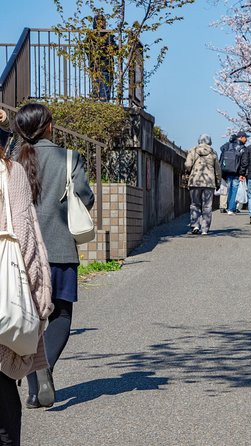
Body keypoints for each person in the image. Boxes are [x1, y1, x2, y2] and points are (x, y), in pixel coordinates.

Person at [13, 103, 95, 409]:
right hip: (60, 250)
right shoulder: (68, 157)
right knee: (60, 315)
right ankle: (44, 367)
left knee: (31, 322)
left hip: (22, 252)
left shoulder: (14, 160)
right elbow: (85, 197)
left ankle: (35, 392)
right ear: (48, 126)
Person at [0, 130, 53, 445]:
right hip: (3, 301)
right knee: (5, 418)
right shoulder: (9, 173)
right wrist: (38, 301)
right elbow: (25, 240)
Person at [185, 134, 221, 235]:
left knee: (195, 204)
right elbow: (217, 169)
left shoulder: (193, 150)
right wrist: (218, 181)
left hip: (195, 181)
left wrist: (189, 171)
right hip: (209, 182)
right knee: (207, 206)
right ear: (210, 141)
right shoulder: (213, 152)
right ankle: (205, 229)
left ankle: (195, 225)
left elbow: (188, 165)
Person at [86, 14, 116, 101]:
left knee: (96, 85)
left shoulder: (90, 36)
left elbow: (86, 49)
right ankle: (104, 104)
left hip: (94, 65)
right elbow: (115, 50)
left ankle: (96, 102)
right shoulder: (107, 35)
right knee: (105, 88)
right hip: (106, 64)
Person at [219, 131, 247, 215]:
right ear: (241, 137)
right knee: (234, 189)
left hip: (227, 170)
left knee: (229, 189)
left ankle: (229, 207)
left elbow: (222, 151)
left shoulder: (228, 145)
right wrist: (242, 173)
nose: (246, 139)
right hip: (236, 171)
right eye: (245, 137)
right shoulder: (242, 147)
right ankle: (231, 208)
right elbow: (243, 162)